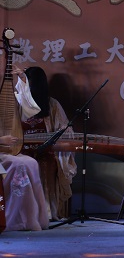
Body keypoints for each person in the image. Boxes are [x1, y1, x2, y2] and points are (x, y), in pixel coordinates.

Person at [12, 65, 77, 222]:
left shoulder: (51, 104)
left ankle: (45, 213)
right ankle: (22, 215)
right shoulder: (17, 102)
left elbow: (65, 130)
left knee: (46, 163)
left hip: (45, 151)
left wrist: (54, 138)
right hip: (21, 150)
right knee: (20, 164)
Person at [1, 135, 49, 231]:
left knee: (32, 163)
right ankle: (16, 220)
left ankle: (33, 217)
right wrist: (1, 140)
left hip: (5, 152)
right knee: (18, 165)